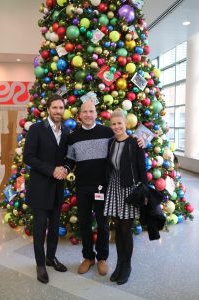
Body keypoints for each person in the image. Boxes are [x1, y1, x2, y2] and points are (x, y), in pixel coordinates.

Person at [65, 100, 144, 277]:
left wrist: (139, 140)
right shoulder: (73, 136)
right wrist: (66, 168)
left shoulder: (107, 132)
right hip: (82, 186)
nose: (88, 114)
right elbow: (70, 159)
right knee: (84, 223)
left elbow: (124, 140)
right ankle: (88, 257)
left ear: (96, 113)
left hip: (103, 186)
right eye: (84, 111)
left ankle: (102, 258)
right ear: (79, 115)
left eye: (91, 111)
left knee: (102, 224)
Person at [23, 94, 70, 284]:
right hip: (41, 187)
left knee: (54, 227)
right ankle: (40, 264)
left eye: (61, 108)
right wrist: (52, 170)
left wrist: (66, 168)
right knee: (40, 227)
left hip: (58, 188)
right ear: (48, 109)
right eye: (55, 108)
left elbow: (69, 157)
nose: (58, 111)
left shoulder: (66, 131)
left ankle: (51, 257)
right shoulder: (36, 129)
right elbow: (29, 157)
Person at [104, 108, 148, 285]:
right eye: (113, 124)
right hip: (114, 188)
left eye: (119, 123)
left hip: (129, 189)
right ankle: (119, 264)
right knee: (117, 229)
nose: (116, 127)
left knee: (125, 229)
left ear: (125, 124)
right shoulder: (111, 143)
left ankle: (127, 266)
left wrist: (145, 190)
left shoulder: (134, 143)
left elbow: (142, 168)